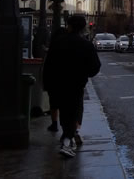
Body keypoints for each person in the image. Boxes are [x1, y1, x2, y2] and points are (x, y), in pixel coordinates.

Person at [43, 15, 101, 158]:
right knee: (73, 111)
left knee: (64, 111)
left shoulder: (58, 42)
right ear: (83, 27)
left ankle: (67, 138)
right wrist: (84, 74)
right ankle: (67, 141)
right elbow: (95, 67)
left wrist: (47, 83)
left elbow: (48, 64)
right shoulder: (86, 44)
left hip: (58, 83)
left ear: (68, 26)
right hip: (76, 84)